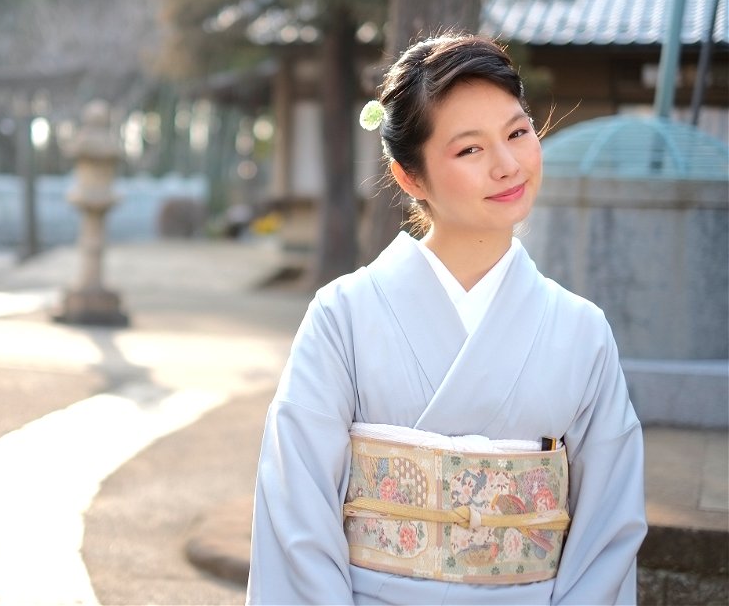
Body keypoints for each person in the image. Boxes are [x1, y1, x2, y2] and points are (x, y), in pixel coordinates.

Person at [246, 33, 647, 605]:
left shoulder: (582, 331)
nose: (508, 165)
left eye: (518, 132)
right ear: (410, 176)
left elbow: (608, 528)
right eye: (470, 150)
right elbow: (296, 513)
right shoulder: (343, 318)